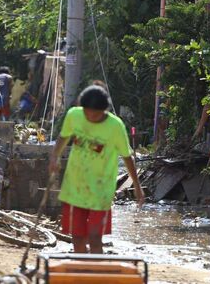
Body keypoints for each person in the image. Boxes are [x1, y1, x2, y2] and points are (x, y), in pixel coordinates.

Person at [48, 86, 144, 254]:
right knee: (77, 237)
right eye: (87, 112)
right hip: (75, 187)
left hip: (101, 190)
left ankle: (96, 271)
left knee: (94, 237)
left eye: (95, 113)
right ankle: (82, 274)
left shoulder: (115, 126)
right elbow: (64, 137)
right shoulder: (74, 115)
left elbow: (127, 157)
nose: (90, 117)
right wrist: (55, 157)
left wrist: (137, 186)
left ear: (104, 110)